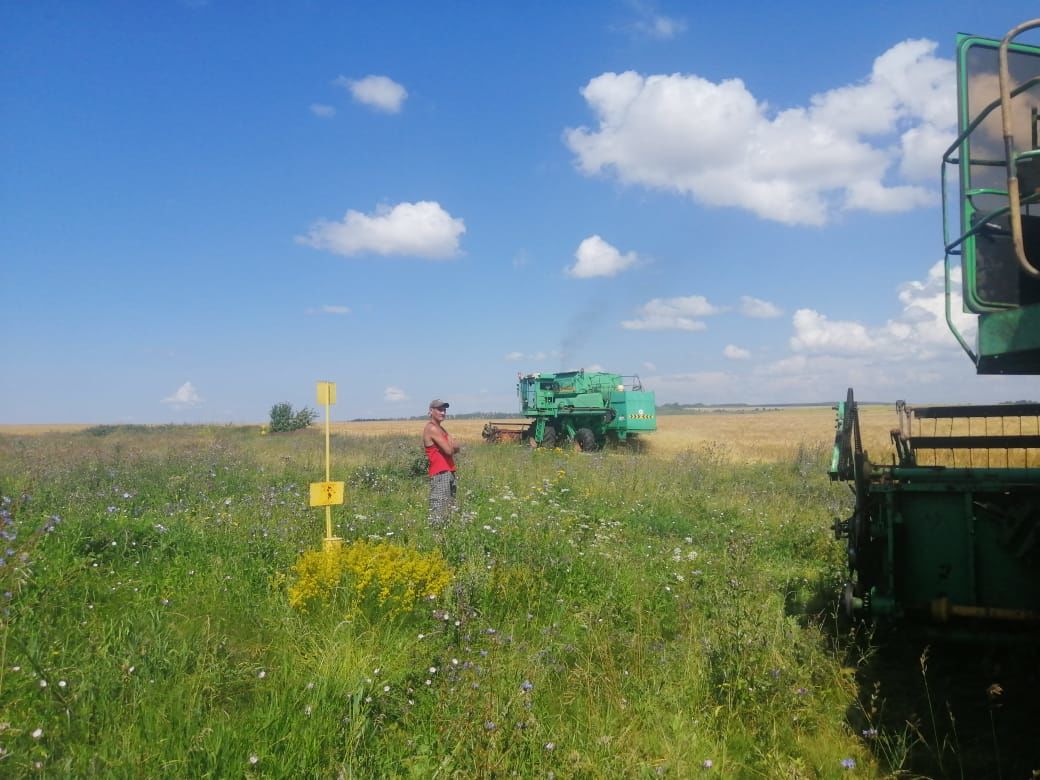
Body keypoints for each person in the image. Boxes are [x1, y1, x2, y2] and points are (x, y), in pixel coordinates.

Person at [423, 399, 460, 527]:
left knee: (449, 510)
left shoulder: (441, 429)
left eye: (444, 410)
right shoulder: (432, 428)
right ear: (431, 411)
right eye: (439, 409)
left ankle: (444, 540)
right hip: (440, 473)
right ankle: (436, 541)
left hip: (449, 471)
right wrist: (451, 446)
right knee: (439, 511)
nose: (443, 412)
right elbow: (450, 450)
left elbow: (457, 446)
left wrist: (451, 445)